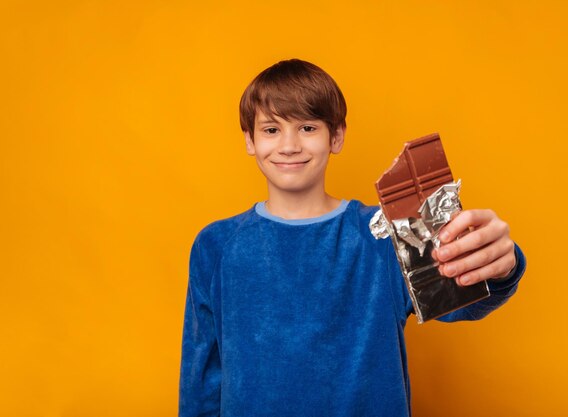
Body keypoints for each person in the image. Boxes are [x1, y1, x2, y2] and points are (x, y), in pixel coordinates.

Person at [179, 59, 526, 417]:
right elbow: (202, 379)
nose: (288, 145)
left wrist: (500, 267)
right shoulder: (216, 246)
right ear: (249, 140)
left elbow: (464, 300)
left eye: (308, 127)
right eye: (271, 130)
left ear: (337, 136)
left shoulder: (384, 232)